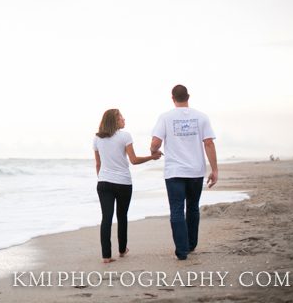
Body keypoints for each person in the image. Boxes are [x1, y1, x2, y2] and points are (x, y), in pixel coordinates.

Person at [150, 84, 218, 261]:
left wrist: (153, 151)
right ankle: (191, 244)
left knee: (177, 210)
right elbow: (209, 143)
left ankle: (182, 251)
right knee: (193, 207)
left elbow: (156, 142)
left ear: (172, 98)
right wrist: (215, 169)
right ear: (188, 97)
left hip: (174, 172)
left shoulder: (165, 117)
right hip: (196, 171)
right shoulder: (202, 117)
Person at [93, 109, 161, 263]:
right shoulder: (125, 136)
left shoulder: (97, 138)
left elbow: (98, 164)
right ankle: (122, 250)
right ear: (115, 120)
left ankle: (106, 256)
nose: (124, 119)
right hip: (123, 183)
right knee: (122, 216)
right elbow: (134, 160)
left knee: (106, 218)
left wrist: (103, 178)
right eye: (121, 117)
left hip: (103, 183)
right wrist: (152, 156)